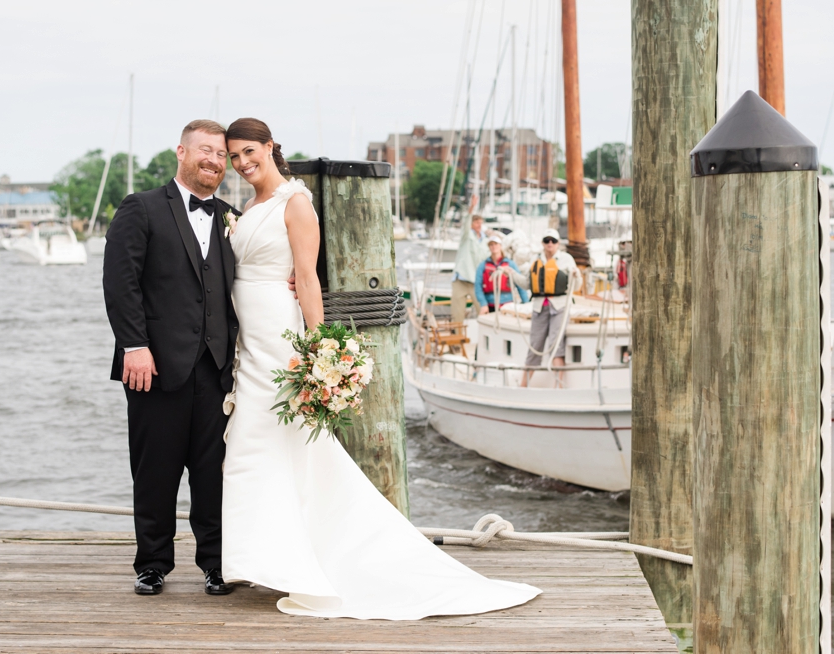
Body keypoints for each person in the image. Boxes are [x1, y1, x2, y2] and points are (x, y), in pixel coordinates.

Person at [220, 117, 540, 619]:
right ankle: (270, 558)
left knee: (262, 443)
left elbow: (306, 277)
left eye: (248, 152)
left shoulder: (295, 203)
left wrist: (318, 345)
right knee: (260, 446)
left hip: (279, 339)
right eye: (234, 156)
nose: (241, 164)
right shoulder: (249, 206)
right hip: (249, 340)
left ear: (270, 147)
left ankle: (292, 560)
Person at [102, 120, 244, 597]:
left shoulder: (231, 217)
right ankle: (153, 563)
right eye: (205, 150)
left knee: (213, 474)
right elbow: (120, 284)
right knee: (155, 470)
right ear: (181, 152)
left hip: (217, 369)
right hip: (154, 368)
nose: (214, 161)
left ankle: (216, 564)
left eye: (222, 155)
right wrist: (134, 347)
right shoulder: (140, 208)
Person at [519, 228, 581, 387]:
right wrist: (510, 273)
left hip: (559, 306)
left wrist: (577, 275)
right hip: (539, 307)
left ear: (558, 243)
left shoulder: (566, 259)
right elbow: (527, 283)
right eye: (547, 241)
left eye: (553, 241)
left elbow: (576, 286)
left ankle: (558, 385)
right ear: (543, 243)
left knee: (556, 345)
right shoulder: (536, 259)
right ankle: (523, 385)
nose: (550, 244)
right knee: (535, 346)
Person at [474, 234, 530, 315]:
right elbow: (477, 286)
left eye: (496, 244)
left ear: (500, 245)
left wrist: (526, 304)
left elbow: (520, 284)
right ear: (489, 247)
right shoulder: (483, 265)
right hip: (490, 304)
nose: (493, 246)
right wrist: (483, 304)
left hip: (508, 304)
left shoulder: (510, 264)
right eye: (491, 244)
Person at [451, 214, 489, 322]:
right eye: (477, 223)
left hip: (476, 282)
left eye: (481, 223)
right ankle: (457, 336)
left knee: (482, 310)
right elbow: (465, 225)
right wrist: (471, 208)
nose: (479, 225)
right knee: (457, 314)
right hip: (461, 280)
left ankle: (485, 336)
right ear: (471, 224)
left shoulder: (485, 241)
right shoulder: (466, 236)